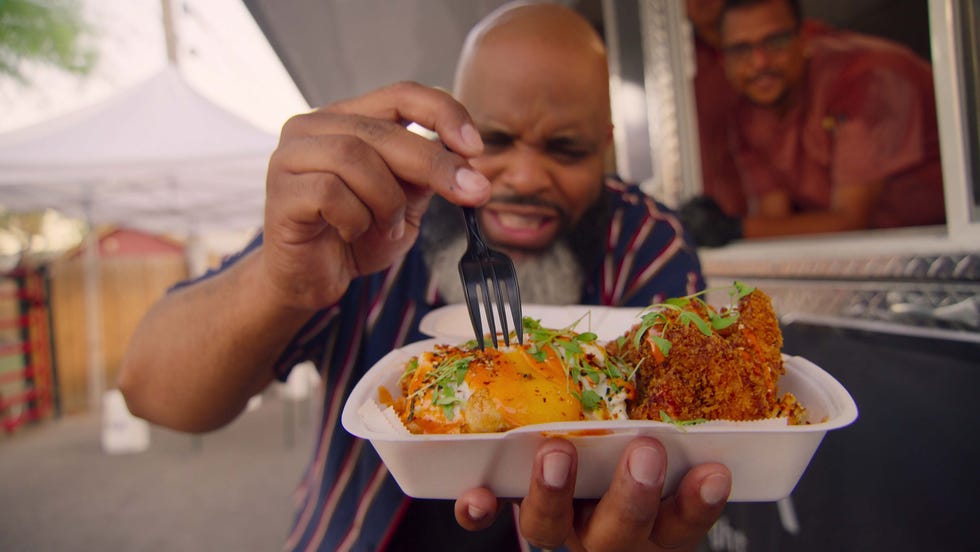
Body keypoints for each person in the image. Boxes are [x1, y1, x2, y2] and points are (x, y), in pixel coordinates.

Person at [118, 2, 731, 551]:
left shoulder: (648, 241)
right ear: (451, 134)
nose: (523, 177)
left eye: (565, 150)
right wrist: (284, 283)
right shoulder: (362, 212)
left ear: (606, 147)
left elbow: (680, 444)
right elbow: (151, 392)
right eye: (494, 140)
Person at [680, 0, 946, 247]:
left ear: (804, 37)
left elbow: (851, 220)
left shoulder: (868, 78)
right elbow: (776, 218)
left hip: (939, 243)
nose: (759, 62)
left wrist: (731, 230)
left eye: (775, 42)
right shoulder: (746, 112)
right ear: (724, 59)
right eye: (741, 50)